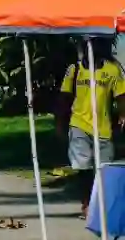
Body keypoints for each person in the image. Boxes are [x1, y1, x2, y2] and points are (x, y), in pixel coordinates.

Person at [57, 38, 125, 219]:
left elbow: (121, 96)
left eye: (97, 45)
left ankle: (102, 204)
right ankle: (87, 205)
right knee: (84, 168)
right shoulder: (75, 70)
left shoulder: (112, 70)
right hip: (79, 124)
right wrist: (61, 122)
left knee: (104, 169)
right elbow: (65, 96)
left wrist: (122, 115)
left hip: (103, 127)